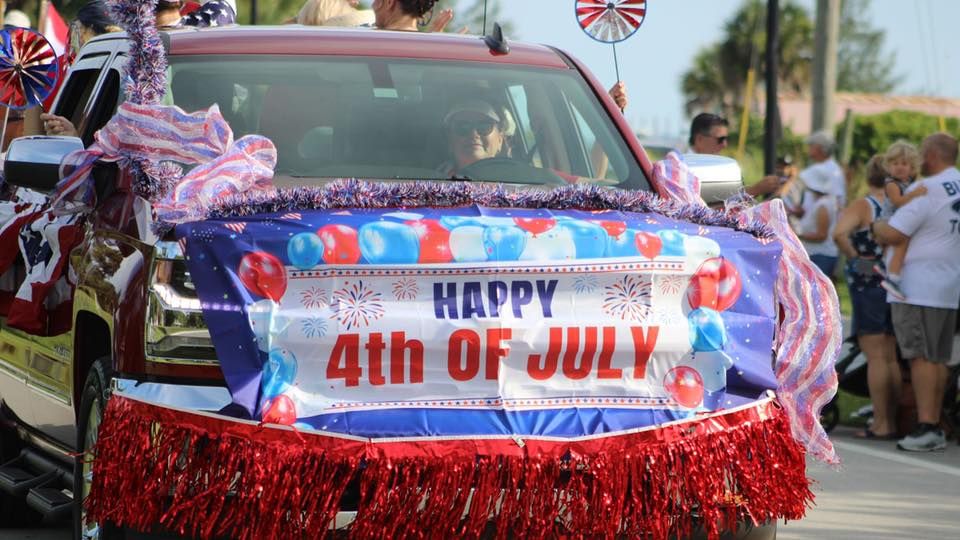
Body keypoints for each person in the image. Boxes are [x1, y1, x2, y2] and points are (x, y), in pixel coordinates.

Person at [872, 132, 960, 452]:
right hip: (948, 285)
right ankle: (934, 423)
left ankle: (926, 425)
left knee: (920, 358)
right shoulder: (957, 184)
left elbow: (893, 232)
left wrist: (875, 228)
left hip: (915, 287)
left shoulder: (930, 188)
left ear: (932, 155)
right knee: (937, 358)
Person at [833, 155, 901, 439]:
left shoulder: (865, 205)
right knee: (890, 356)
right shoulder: (899, 206)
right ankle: (894, 419)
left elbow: (839, 233)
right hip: (893, 281)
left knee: (874, 355)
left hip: (867, 281)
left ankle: (881, 422)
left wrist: (855, 257)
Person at [25, 1, 122, 138]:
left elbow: (30, 143)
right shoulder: (54, 72)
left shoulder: (50, 72)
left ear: (82, 31)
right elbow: (31, 141)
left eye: (76, 30)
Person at [875, 140, 926, 300]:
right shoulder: (892, 184)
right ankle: (893, 278)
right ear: (888, 167)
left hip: (896, 219)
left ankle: (885, 265)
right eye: (895, 163)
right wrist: (914, 194)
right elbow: (898, 201)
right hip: (890, 219)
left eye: (904, 163)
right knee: (901, 243)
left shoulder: (908, 183)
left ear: (912, 168)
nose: (899, 166)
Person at [687, 112, 781, 198]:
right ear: (699, 139)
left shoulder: (711, 166)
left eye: (726, 139)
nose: (725, 144)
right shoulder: (684, 169)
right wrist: (755, 190)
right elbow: (710, 204)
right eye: (720, 139)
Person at [795, 163, 839, 277]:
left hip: (820, 255)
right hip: (819, 255)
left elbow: (821, 235)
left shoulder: (823, 205)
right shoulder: (824, 202)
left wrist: (797, 235)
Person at [799, 130, 847, 208]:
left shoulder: (820, 169)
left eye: (811, 145)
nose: (809, 148)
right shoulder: (834, 167)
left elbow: (797, 179)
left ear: (820, 148)